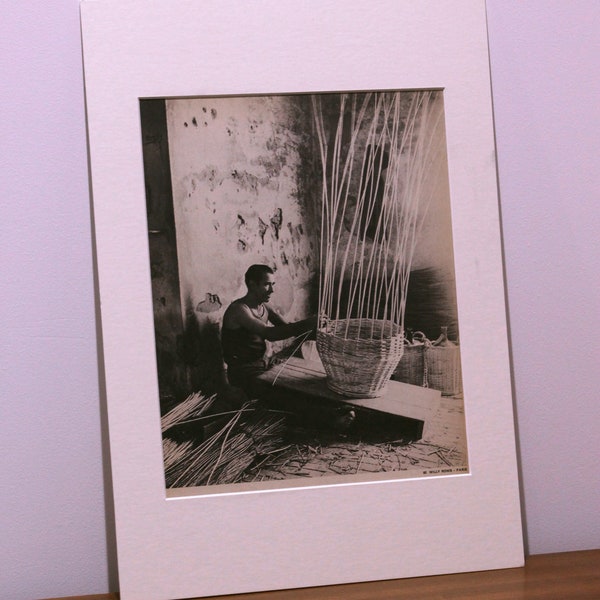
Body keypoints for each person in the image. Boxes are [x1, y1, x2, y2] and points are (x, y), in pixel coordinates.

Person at [221, 264, 316, 397]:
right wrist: (307, 323)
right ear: (252, 284)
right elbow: (270, 334)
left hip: (263, 363)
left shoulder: (264, 306)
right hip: (243, 371)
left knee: (302, 379)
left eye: (273, 284)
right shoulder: (239, 310)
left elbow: (286, 327)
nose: (272, 290)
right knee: (286, 394)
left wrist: (316, 331)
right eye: (267, 285)